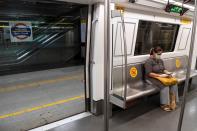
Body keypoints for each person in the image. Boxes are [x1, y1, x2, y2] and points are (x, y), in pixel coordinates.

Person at [145, 46, 179, 111]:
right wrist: (160, 76)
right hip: (151, 78)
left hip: (161, 76)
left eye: (160, 54)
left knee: (174, 83)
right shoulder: (148, 61)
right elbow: (149, 73)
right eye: (158, 54)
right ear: (154, 53)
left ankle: (173, 101)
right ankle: (164, 104)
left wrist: (167, 73)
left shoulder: (160, 60)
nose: (159, 56)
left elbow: (163, 69)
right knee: (164, 85)